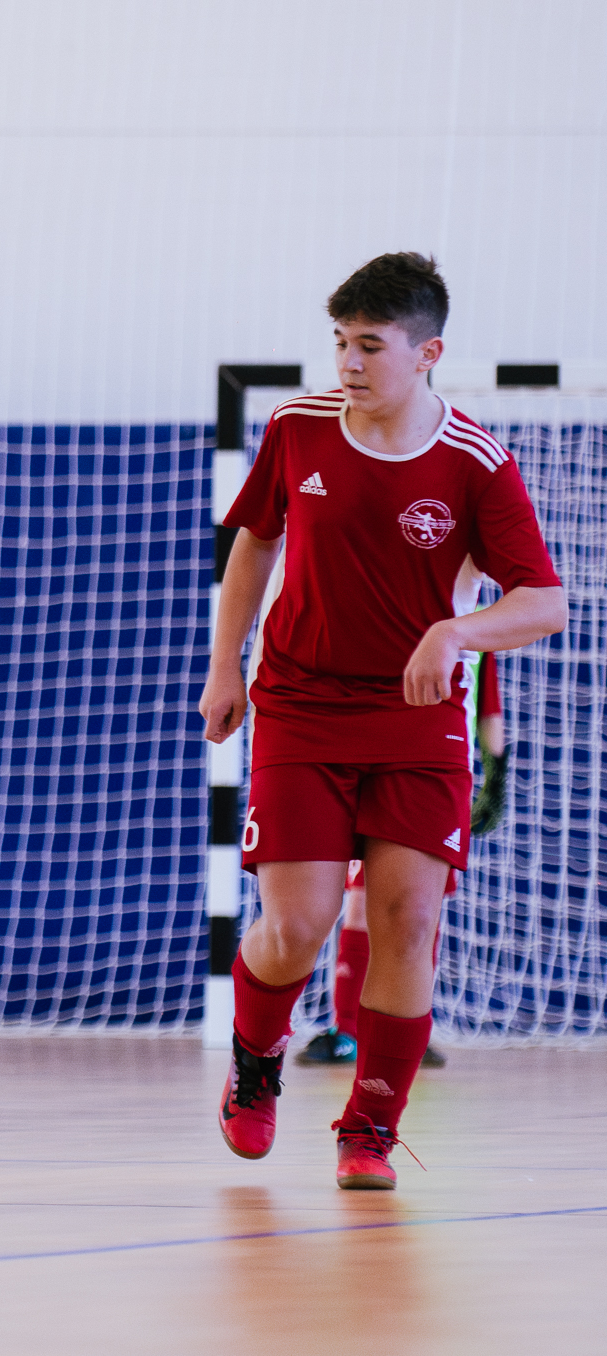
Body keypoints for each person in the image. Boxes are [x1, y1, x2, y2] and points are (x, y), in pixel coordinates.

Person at [200, 253, 564, 1190]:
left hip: (416, 720)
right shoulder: (298, 428)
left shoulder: (476, 461)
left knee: (407, 918)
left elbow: (543, 603)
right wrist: (223, 664)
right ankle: (256, 1058)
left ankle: (369, 1127)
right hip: (301, 704)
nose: (349, 363)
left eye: (370, 345)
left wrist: (456, 629)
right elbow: (255, 544)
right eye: (339, 343)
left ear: (427, 352)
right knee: (299, 922)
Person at [297, 652, 505, 1068]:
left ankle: (407, 1027)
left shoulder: (476, 634)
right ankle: (350, 1029)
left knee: (418, 912)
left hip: (438, 776)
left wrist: (496, 777)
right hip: (378, 770)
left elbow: (489, 709)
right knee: (362, 904)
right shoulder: (402, 619)